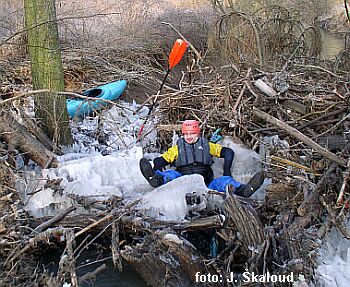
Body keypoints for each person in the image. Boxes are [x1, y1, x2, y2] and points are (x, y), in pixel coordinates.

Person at [139, 120, 264, 197]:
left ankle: (245, 190)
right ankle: (155, 180)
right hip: (182, 180)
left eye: (192, 134)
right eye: (186, 134)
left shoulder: (207, 146)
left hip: (206, 183)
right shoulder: (177, 149)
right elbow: (159, 160)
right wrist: (156, 169)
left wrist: (227, 171)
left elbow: (228, 152)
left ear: (198, 133)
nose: (189, 137)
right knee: (170, 174)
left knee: (224, 182)